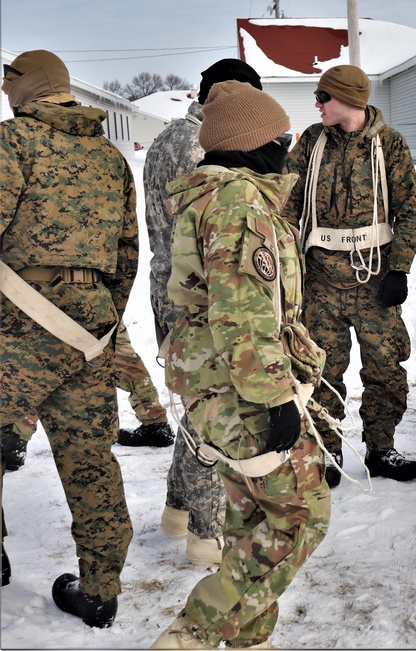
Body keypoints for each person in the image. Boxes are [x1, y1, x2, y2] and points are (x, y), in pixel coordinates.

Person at [150, 81, 331, 649]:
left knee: (251, 520)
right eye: (284, 138)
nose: (288, 148)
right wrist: (277, 398)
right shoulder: (239, 205)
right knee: (301, 516)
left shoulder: (212, 197)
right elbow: (244, 314)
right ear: (253, 144)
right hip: (246, 392)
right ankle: (195, 631)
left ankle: (249, 638)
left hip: (217, 388)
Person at [0, 49, 137, 628]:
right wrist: (101, 320)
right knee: (91, 461)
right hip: (89, 329)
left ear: (27, 88)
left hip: (16, 323)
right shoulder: (111, 158)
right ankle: (101, 590)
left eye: (10, 84)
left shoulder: (13, 143)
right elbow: (127, 255)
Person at [145, 58, 262, 566]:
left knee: (194, 404)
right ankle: (207, 535)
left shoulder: (169, 136)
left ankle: (176, 508)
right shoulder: (203, 146)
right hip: (200, 294)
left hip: (169, 286)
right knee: (212, 412)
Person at [283, 65, 416, 487]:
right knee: (321, 370)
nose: (317, 104)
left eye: (323, 97)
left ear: (348, 100)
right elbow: (288, 204)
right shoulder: (311, 142)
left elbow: (411, 209)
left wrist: (399, 267)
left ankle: (382, 448)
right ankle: (328, 450)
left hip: (374, 278)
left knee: (385, 367)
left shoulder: (390, 145)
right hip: (321, 280)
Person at [2, 321, 173, 471]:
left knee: (37, 365)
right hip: (97, 303)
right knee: (126, 361)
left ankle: (17, 439)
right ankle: (155, 423)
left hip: (49, 305)